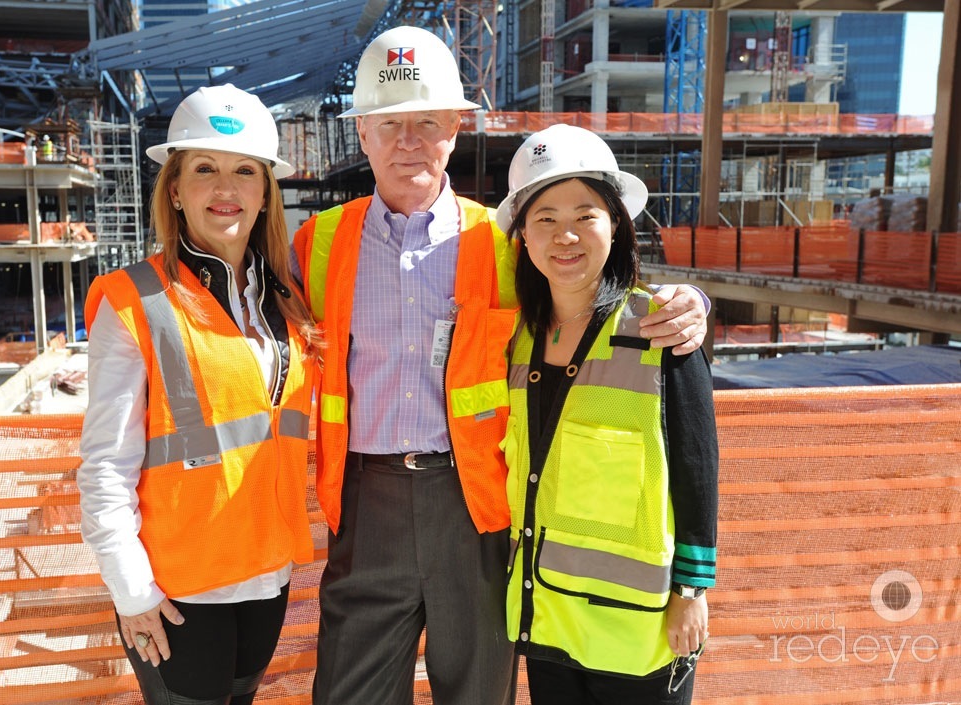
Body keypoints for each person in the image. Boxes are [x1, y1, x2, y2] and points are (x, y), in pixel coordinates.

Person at [290, 25, 709, 705]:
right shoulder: (317, 244)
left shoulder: (504, 242)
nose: (409, 141)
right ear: (361, 133)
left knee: (480, 690)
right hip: (366, 509)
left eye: (428, 121)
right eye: (390, 124)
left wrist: (692, 301)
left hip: (478, 505)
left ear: (456, 126)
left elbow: (588, 288)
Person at [77, 84, 321, 705]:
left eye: (244, 172)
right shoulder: (134, 302)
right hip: (179, 594)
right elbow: (106, 466)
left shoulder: (287, 304)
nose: (225, 189)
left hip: (266, 579)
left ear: (266, 191)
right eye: (204, 170)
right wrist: (132, 592)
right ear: (176, 189)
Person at [496, 124, 719, 704]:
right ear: (521, 233)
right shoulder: (519, 340)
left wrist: (693, 589)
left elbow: (697, 466)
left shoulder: (658, 327)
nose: (564, 235)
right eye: (544, 217)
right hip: (550, 617)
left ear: (615, 223)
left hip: (638, 628)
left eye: (585, 215)